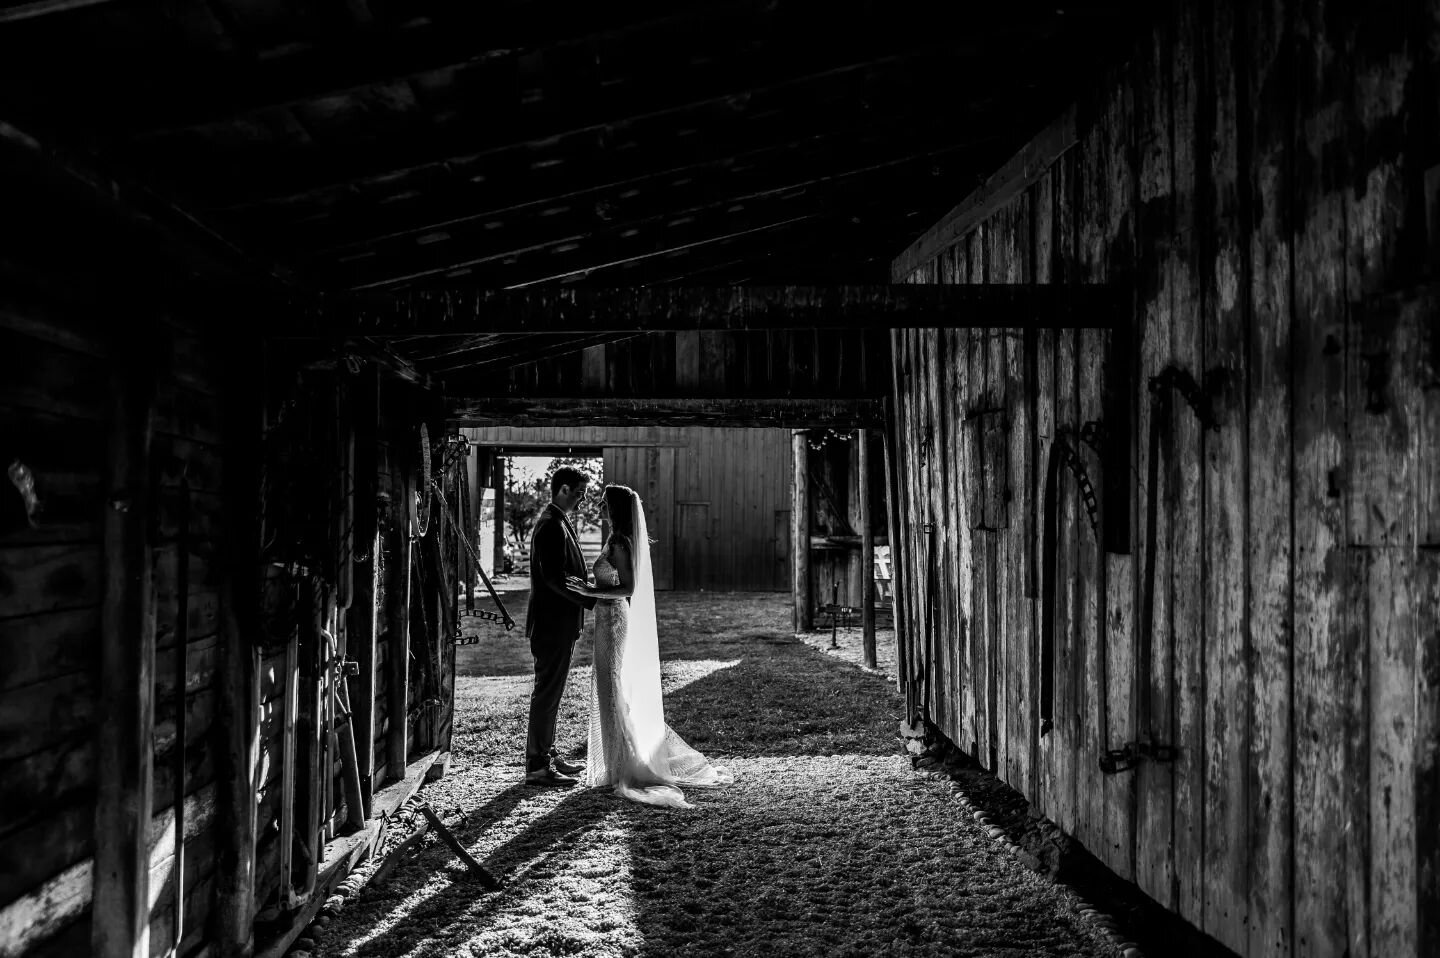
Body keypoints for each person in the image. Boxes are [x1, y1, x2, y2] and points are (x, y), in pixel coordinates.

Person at [565, 483, 733, 808]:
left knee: (612, 687)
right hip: (604, 617)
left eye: (603, 503)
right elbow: (609, 581)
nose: (599, 507)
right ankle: (614, 764)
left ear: (614, 509)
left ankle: (626, 766)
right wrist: (588, 586)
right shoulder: (613, 539)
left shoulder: (620, 542)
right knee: (606, 687)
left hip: (613, 619)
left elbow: (628, 587)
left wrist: (589, 593)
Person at [523, 466, 596, 787]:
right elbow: (554, 578)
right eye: (579, 493)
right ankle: (537, 766)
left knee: (552, 694)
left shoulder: (560, 521)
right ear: (563, 489)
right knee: (546, 694)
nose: (581, 500)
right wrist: (590, 598)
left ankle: (548, 754)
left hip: (561, 625)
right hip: (552, 625)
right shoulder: (550, 525)